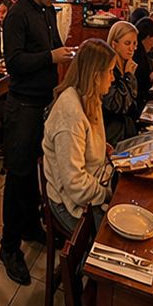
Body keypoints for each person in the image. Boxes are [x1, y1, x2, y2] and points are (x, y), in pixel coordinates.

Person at [0, 0, 69, 285]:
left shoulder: (47, 11)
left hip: (42, 103)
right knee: (17, 176)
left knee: (34, 172)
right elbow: (14, 63)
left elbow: (52, 47)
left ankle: (30, 227)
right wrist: (50, 58)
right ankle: (9, 247)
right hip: (22, 105)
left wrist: (66, 53)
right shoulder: (17, 14)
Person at [42, 39, 117, 232]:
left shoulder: (90, 97)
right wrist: (109, 194)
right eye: (110, 72)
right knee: (111, 240)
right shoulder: (71, 114)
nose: (113, 78)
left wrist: (101, 147)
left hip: (91, 186)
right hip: (67, 203)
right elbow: (75, 185)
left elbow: (85, 148)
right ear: (94, 76)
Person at [101, 20, 140, 145]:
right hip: (113, 136)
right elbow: (118, 106)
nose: (132, 49)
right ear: (114, 44)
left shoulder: (128, 65)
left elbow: (133, 102)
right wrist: (128, 77)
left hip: (128, 131)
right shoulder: (108, 69)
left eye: (134, 43)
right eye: (127, 43)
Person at [134, 17, 153, 104]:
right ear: (148, 37)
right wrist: (149, 78)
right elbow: (138, 85)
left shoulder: (145, 53)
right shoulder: (137, 55)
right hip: (140, 102)